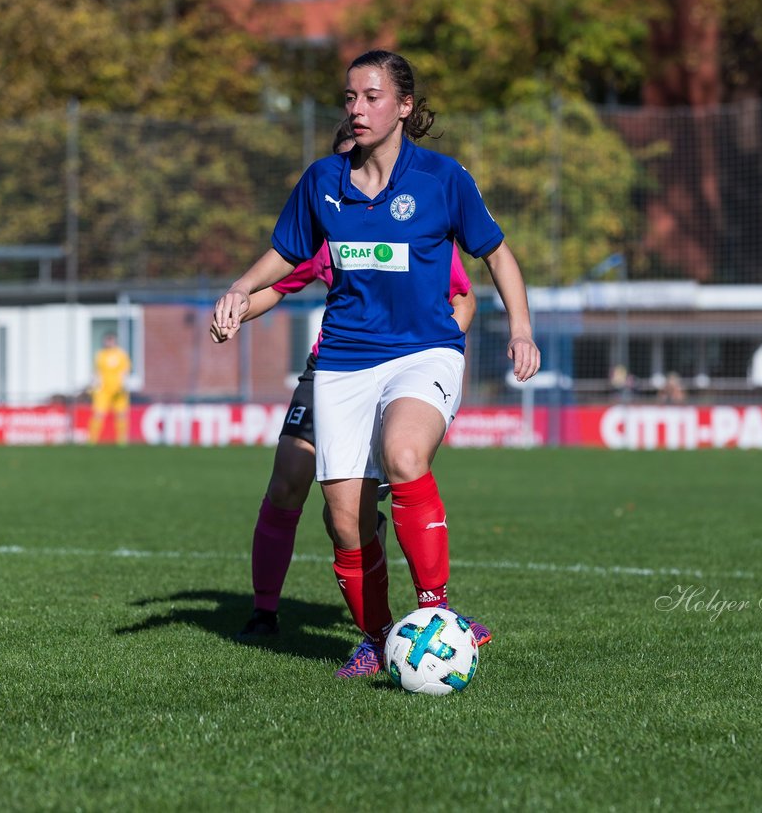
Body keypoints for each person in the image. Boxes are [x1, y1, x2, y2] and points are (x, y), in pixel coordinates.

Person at [214, 50, 540, 678]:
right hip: (341, 362)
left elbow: (497, 257)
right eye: (349, 98)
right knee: (345, 520)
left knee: (404, 456)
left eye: (371, 97)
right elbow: (284, 258)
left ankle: (437, 617)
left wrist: (521, 329)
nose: (356, 109)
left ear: (404, 107)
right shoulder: (321, 182)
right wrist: (236, 290)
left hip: (424, 352)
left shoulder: (444, 179)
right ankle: (377, 637)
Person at [215, 122, 478, 643]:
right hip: (333, 370)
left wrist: (431, 359)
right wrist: (238, 307)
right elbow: (276, 286)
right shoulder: (324, 217)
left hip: (403, 365)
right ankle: (265, 612)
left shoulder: (415, 221)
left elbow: (462, 297)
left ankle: (431, 617)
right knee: (290, 478)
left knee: (387, 483)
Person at [88, 331, 132, 445]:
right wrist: (93, 384)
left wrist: (123, 385)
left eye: (111, 340)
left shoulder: (121, 355)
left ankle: (122, 441)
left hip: (118, 390)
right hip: (103, 390)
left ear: (115, 341)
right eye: (107, 340)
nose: (109, 342)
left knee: (121, 414)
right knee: (98, 414)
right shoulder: (100, 355)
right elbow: (96, 372)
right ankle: (92, 440)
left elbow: (125, 371)